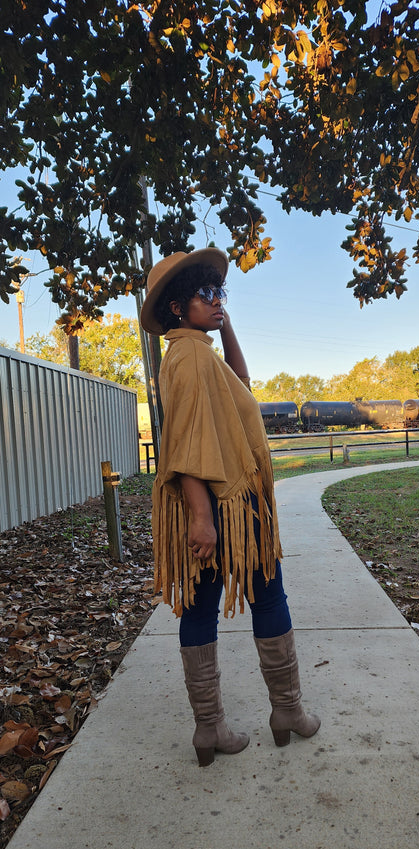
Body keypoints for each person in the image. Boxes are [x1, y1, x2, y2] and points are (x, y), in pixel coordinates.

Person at [140, 248, 320, 766]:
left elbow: (243, 383)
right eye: (206, 294)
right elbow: (186, 448)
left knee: (200, 608)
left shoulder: (193, 352)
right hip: (227, 507)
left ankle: (209, 728)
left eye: (221, 294)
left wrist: (226, 326)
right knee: (268, 598)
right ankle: (286, 711)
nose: (217, 301)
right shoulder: (191, 358)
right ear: (177, 307)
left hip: (222, 504)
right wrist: (201, 517)